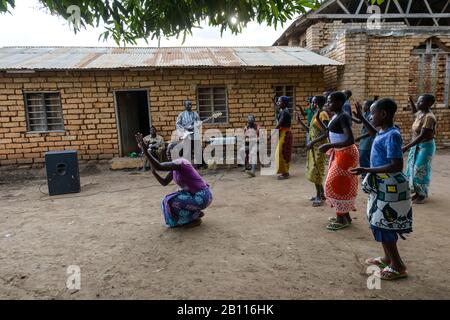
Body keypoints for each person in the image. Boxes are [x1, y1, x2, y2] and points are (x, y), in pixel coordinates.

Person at [351, 98, 412, 281]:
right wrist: (362, 117)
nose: (371, 116)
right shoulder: (384, 131)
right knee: (378, 222)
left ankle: (398, 266)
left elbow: (396, 165)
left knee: (384, 225)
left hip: (390, 186)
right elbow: (374, 134)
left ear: (383, 114)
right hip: (383, 185)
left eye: (372, 113)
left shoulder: (393, 135)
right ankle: (387, 258)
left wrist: (367, 169)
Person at [135, 133, 212, 228]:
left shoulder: (181, 162)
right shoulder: (175, 167)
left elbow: (159, 166)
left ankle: (194, 218)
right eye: (167, 150)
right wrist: (154, 173)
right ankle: (195, 213)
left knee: (171, 201)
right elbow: (164, 182)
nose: (167, 152)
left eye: (170, 150)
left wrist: (146, 151)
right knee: (170, 198)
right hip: (197, 196)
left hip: (202, 197)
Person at [316, 91, 359, 230]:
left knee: (334, 184)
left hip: (346, 154)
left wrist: (330, 145)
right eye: (327, 102)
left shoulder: (343, 117)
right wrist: (318, 117)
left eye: (330, 101)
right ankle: (344, 216)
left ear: (340, 102)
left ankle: (342, 218)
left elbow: (350, 139)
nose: (328, 104)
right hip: (340, 153)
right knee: (340, 184)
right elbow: (329, 132)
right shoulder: (336, 116)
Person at [295, 95, 329, 206]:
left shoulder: (323, 114)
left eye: (314, 102)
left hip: (319, 147)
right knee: (314, 169)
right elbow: (310, 130)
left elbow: (326, 133)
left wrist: (312, 142)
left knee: (316, 170)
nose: (312, 104)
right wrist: (300, 122)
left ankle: (319, 196)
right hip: (314, 147)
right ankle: (321, 194)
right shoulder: (316, 114)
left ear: (319, 103)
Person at [403, 94, 437, 204]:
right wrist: (411, 101)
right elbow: (414, 112)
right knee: (412, 168)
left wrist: (407, 147)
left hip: (425, 146)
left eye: (420, 102)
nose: (418, 103)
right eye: (418, 101)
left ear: (428, 104)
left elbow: (422, 136)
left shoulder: (429, 118)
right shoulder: (422, 114)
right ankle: (417, 192)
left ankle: (422, 194)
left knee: (420, 170)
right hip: (417, 146)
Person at [354, 100, 375, 177]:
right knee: (364, 156)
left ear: (369, 107)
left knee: (363, 156)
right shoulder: (365, 114)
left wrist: (359, 137)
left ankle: (367, 174)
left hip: (368, 139)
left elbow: (371, 131)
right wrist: (351, 118)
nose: (363, 107)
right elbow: (360, 121)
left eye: (365, 105)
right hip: (364, 139)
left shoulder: (371, 116)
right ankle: (365, 174)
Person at [275, 96, 293, 180]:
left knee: (282, 153)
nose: (278, 103)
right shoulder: (283, 111)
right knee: (281, 152)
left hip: (285, 134)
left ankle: (285, 173)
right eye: (278, 102)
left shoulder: (285, 112)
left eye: (279, 102)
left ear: (284, 103)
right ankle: (284, 171)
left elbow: (279, 124)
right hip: (283, 133)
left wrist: (271, 134)